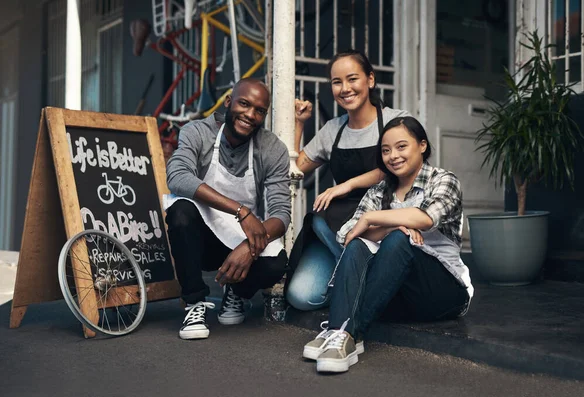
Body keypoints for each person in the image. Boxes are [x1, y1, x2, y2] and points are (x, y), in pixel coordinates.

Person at [302, 116, 474, 373]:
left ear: (422, 146)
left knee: (398, 240)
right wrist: (393, 224)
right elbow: (349, 235)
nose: (393, 156)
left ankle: (344, 331)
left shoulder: (443, 180)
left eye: (401, 147)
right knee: (361, 245)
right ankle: (344, 335)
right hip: (395, 293)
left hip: (442, 292)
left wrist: (373, 219)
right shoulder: (379, 191)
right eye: (385, 150)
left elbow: (424, 219)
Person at [163, 78, 290, 340]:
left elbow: (281, 214)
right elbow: (177, 177)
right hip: (201, 238)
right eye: (244, 104)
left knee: (276, 263)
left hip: (238, 239)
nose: (250, 115)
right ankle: (194, 303)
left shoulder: (272, 149)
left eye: (259, 110)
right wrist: (241, 211)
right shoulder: (198, 132)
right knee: (181, 212)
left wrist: (249, 248)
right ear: (228, 102)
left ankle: (236, 292)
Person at [286, 49, 410, 311]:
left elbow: (399, 169)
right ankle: (358, 280)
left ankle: (358, 279)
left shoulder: (396, 121)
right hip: (335, 228)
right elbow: (296, 168)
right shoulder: (332, 129)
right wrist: (299, 123)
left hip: (381, 224)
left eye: (352, 79)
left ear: (370, 80)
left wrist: (348, 184)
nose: (345, 88)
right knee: (301, 296)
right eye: (336, 82)